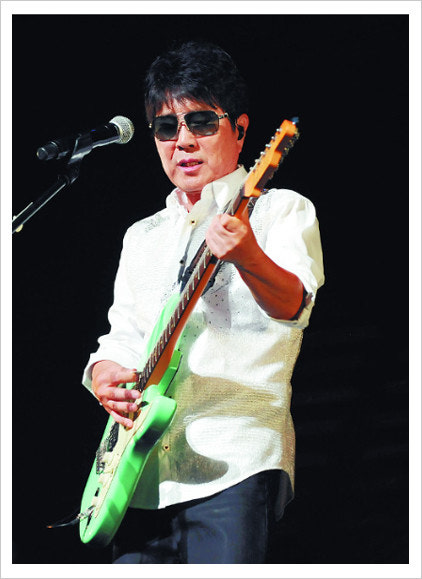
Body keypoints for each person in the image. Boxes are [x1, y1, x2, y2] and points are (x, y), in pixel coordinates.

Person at [82, 40, 324, 564]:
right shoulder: (141, 236)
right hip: (135, 478)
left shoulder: (279, 210)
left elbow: (293, 306)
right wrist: (103, 375)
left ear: (240, 130)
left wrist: (249, 255)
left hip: (235, 462)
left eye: (201, 122)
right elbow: (121, 337)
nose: (184, 141)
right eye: (167, 128)